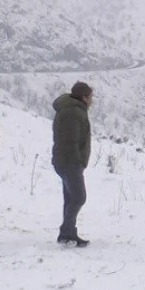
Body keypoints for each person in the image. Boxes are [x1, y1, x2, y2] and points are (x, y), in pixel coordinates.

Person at [52, 82, 93, 247]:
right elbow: (71, 140)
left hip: (65, 161)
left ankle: (67, 234)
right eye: (90, 97)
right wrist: (78, 161)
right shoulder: (74, 113)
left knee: (70, 198)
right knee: (78, 197)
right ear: (84, 97)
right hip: (69, 161)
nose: (92, 100)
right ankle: (67, 231)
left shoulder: (72, 110)